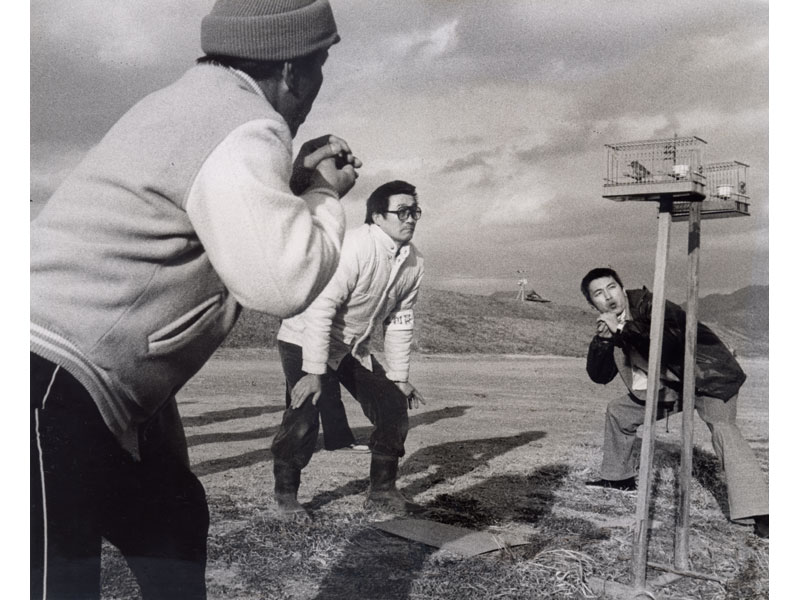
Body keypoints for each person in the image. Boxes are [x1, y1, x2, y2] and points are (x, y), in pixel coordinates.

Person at [30, 1, 361, 597]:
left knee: (171, 521)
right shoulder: (243, 124)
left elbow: (214, 215)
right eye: (321, 63)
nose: (318, 83)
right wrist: (321, 195)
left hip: (82, 377)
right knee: (57, 581)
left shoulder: (187, 103)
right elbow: (283, 281)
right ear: (292, 69)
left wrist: (290, 184)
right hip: (49, 376)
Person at [271, 180, 426, 518]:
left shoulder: (414, 262)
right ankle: (286, 497)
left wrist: (399, 377)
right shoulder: (354, 246)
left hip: (349, 348)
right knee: (304, 414)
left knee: (392, 403)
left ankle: (382, 492)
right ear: (377, 216)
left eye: (415, 212)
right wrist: (314, 373)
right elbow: (320, 310)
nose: (410, 219)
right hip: (304, 337)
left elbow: (399, 320)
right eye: (402, 211)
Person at [580, 267, 769, 538]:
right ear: (592, 304)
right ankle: (619, 478)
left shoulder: (652, 305)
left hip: (707, 377)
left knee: (723, 429)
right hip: (669, 385)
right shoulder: (611, 325)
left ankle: (760, 512)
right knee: (619, 412)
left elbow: (665, 343)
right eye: (598, 294)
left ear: (622, 289)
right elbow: (600, 376)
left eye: (612, 288)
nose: (608, 297)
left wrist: (621, 329)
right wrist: (603, 340)